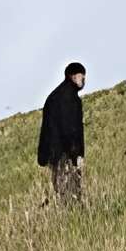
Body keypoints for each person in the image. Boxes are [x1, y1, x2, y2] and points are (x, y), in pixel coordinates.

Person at [37, 60, 88, 205]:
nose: (84, 80)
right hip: (65, 155)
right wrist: (76, 155)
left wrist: (44, 156)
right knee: (72, 194)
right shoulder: (70, 98)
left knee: (62, 192)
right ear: (73, 76)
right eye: (82, 77)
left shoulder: (53, 96)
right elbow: (70, 129)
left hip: (54, 155)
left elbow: (47, 129)